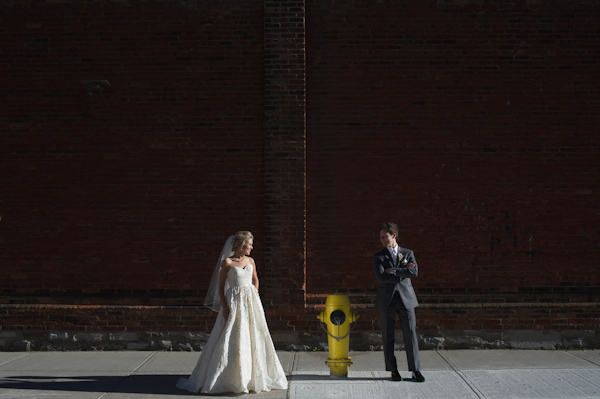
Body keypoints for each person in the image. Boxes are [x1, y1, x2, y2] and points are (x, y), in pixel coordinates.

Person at [177, 231, 288, 394]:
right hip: (234, 303)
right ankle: (228, 377)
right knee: (232, 336)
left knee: (253, 335)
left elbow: (255, 279)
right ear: (242, 245)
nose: (252, 247)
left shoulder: (251, 261)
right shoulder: (227, 263)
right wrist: (225, 307)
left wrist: (254, 295)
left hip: (250, 303)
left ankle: (253, 377)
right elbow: (221, 287)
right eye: (249, 244)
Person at [374, 222, 425, 382]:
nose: (382, 239)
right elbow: (381, 277)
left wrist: (395, 271)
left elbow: (414, 272)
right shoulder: (379, 256)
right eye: (381, 237)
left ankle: (415, 370)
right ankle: (393, 370)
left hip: (406, 299)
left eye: (385, 236)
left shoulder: (408, 253)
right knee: (388, 336)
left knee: (410, 334)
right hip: (387, 300)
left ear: (393, 236)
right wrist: (404, 272)